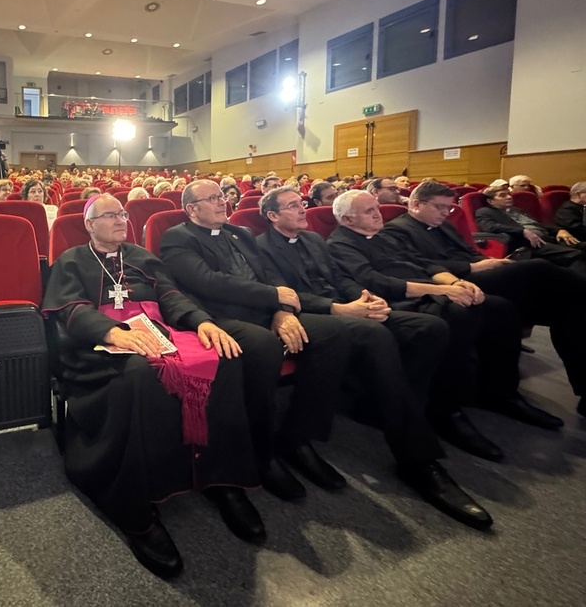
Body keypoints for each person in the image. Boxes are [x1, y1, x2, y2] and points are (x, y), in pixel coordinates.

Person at [43, 194, 269, 579]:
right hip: (102, 343)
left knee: (223, 358)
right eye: (109, 215)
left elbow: (170, 295)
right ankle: (137, 509)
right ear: (89, 224)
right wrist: (113, 331)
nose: (120, 220)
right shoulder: (72, 260)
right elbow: (70, 310)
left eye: (123, 214)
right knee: (139, 374)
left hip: (161, 331)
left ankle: (222, 478)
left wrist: (201, 322)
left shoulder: (142, 257)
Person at [256, 187, 492, 529]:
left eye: (302, 203)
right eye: (293, 206)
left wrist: (364, 298)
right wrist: (344, 308)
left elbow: (340, 279)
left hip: (347, 307)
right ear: (273, 216)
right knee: (377, 335)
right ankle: (417, 460)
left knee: (431, 329)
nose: (303, 209)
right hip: (314, 314)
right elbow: (285, 296)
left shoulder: (313, 240)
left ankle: (390, 405)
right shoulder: (261, 247)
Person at [160, 180, 351, 501]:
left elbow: (268, 273)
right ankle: (262, 452)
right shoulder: (178, 237)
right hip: (221, 316)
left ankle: (297, 437)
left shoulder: (241, 233)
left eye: (222, 196)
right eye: (212, 199)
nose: (222, 202)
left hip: (264, 310)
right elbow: (208, 283)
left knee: (334, 332)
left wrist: (281, 310)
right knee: (264, 345)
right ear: (192, 209)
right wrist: (272, 296)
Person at [327, 190, 538, 459]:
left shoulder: (383, 235)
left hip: (425, 291)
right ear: (347, 220)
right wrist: (441, 292)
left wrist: (454, 282)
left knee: (500, 309)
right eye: (369, 211)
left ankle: (499, 391)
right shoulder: (340, 243)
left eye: (376, 207)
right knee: (460, 315)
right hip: (396, 301)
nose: (379, 213)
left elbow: (423, 263)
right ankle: (445, 408)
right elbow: (375, 282)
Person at [382, 180, 586, 419]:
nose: (445, 213)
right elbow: (418, 265)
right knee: (539, 267)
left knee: (569, 308)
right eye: (440, 207)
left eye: (449, 208)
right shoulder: (397, 229)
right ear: (416, 204)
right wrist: (475, 266)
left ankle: (576, 392)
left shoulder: (444, 226)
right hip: (457, 281)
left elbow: (471, 251)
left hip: (485, 274)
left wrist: (492, 262)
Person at [474, 185, 586, 270]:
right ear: (490, 201)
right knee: (575, 255)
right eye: (502, 195)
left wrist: (559, 230)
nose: (509, 197)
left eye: (509, 194)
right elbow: (489, 227)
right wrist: (522, 231)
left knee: (583, 247)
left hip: (547, 237)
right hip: (528, 244)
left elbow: (538, 224)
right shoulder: (484, 212)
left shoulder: (517, 210)